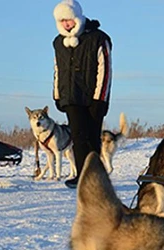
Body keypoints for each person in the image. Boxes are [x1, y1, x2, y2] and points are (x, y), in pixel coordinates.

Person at [52, 0, 112, 188]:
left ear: (77, 18)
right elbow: (57, 70)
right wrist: (56, 94)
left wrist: (99, 99)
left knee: (92, 137)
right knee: (78, 136)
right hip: (70, 97)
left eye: (68, 19)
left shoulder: (98, 38)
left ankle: (96, 176)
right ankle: (81, 175)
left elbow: (105, 69)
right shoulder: (58, 42)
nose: (66, 24)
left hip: (94, 97)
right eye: (62, 21)